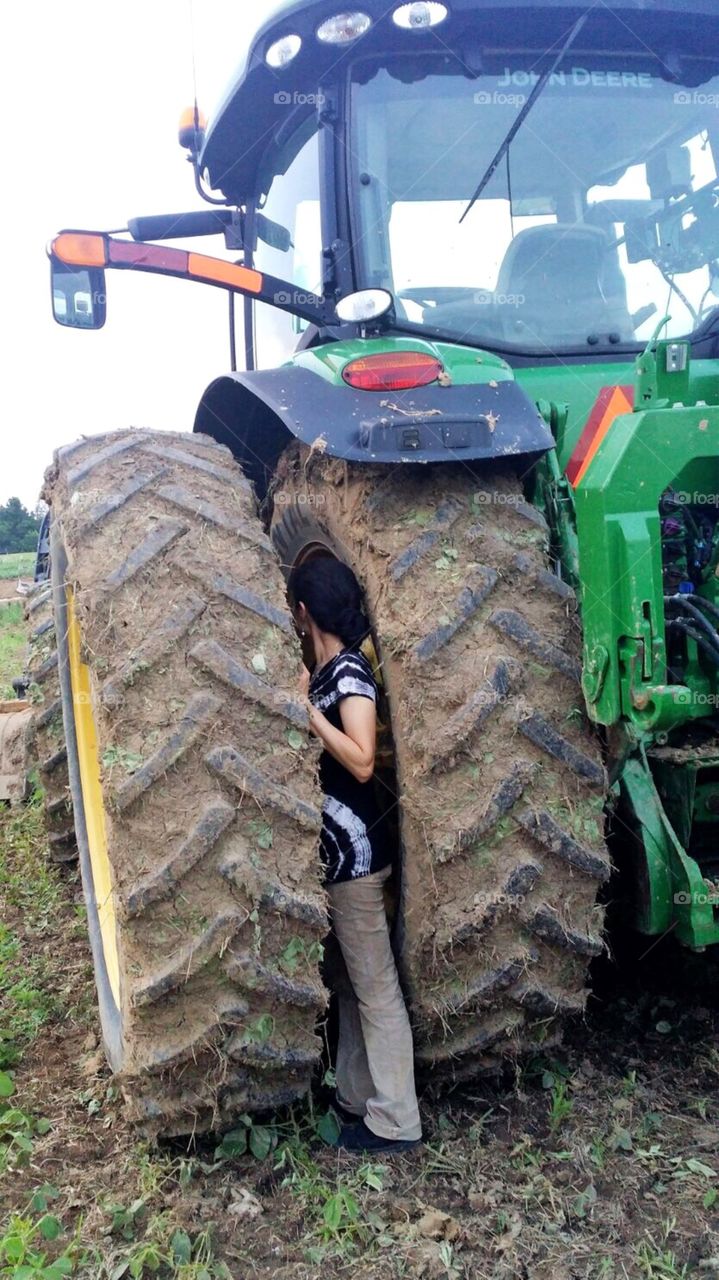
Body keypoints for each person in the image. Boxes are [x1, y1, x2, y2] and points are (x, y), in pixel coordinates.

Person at [288, 554, 422, 1154]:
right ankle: (354, 1097)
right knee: (347, 978)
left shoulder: (347, 673)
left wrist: (309, 716)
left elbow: (363, 759)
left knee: (375, 985)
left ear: (303, 612)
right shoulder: (326, 671)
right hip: (340, 856)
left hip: (359, 858)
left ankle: (397, 1119)